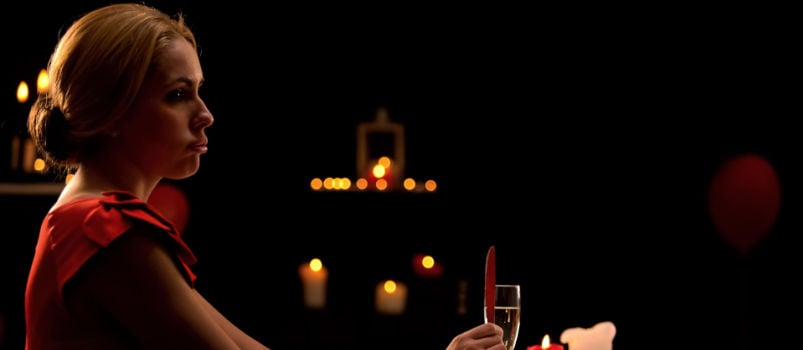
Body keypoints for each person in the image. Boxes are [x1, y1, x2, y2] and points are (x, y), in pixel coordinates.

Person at [24, 2, 504, 349]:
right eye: (177, 95)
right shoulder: (105, 232)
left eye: (200, 91)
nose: (206, 114)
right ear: (112, 113)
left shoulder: (87, 221)